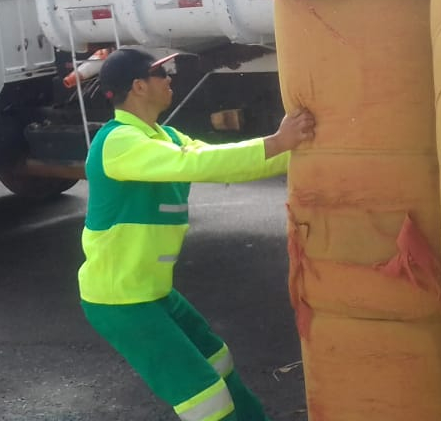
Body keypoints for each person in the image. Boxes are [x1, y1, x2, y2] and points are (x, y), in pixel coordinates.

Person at [78, 47, 315, 421]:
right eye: (161, 74)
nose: (169, 78)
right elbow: (198, 163)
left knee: (219, 364)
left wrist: (302, 147)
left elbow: (223, 162)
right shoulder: (117, 141)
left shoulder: (166, 136)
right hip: (120, 300)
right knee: (206, 401)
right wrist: (278, 142)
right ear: (139, 86)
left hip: (152, 291)